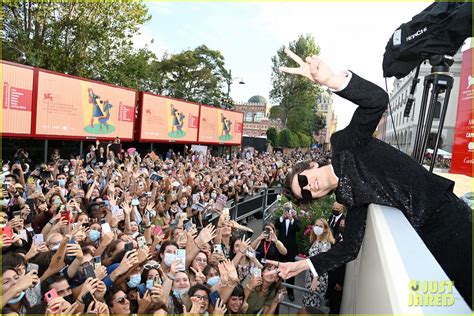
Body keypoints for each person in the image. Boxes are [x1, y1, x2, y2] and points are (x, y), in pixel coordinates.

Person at [269, 48, 472, 308]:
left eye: (304, 181)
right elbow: (349, 248)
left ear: (310, 166)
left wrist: (331, 80)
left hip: (444, 213)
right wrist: (304, 264)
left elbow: (376, 100)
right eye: (305, 193)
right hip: (425, 236)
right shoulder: (351, 202)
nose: (311, 188)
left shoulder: (343, 143)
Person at [302, 218, 334, 309]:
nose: (317, 228)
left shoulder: (325, 244)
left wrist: (315, 280)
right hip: (310, 275)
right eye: (316, 225)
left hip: (318, 278)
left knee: (313, 306)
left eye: (320, 226)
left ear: (325, 229)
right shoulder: (316, 240)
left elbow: (322, 263)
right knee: (307, 303)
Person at [274, 201, 300, 301]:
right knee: (278, 268)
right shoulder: (280, 219)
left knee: (290, 271)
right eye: (285, 208)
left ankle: (290, 292)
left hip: (291, 250)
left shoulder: (295, 220)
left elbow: (298, 228)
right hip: (280, 249)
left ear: (292, 209)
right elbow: (276, 226)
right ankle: (276, 288)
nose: (287, 210)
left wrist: (291, 218)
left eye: (289, 209)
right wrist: (282, 217)